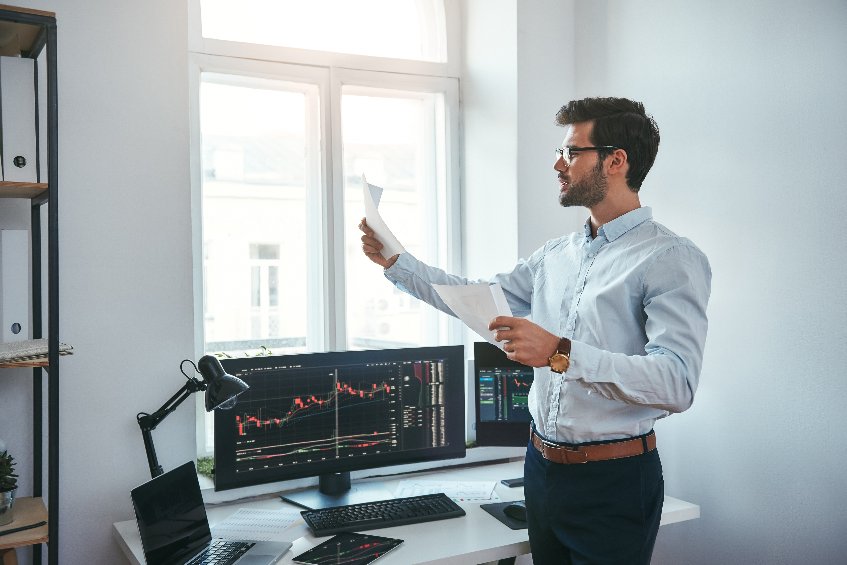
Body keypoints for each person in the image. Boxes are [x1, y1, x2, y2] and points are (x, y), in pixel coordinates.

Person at [359, 96, 711, 564]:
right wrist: (398, 262)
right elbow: (478, 298)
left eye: (570, 152)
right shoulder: (555, 255)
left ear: (616, 160)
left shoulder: (669, 258)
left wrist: (560, 352)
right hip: (542, 471)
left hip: (615, 480)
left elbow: (677, 383)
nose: (556, 164)